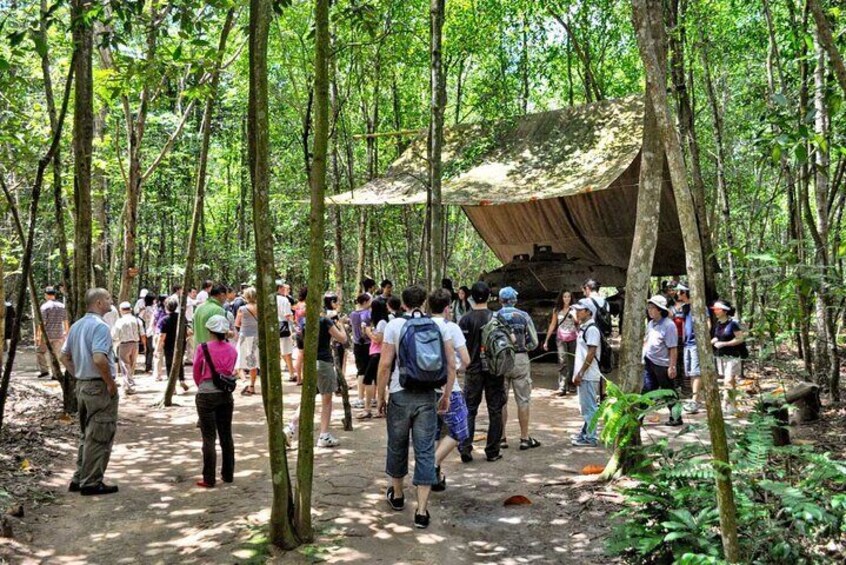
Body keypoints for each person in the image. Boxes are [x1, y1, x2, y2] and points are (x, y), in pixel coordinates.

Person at [376, 284, 456, 530]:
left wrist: (381, 396)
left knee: (397, 444)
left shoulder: (394, 326)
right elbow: (451, 365)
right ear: (424, 303)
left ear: (403, 304)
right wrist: (446, 394)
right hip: (427, 396)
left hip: (400, 394)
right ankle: (422, 511)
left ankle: (398, 496)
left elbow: (385, 364)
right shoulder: (438, 326)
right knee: (424, 451)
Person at [60, 288, 119, 496]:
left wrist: (78, 374)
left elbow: (63, 356)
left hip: (83, 386)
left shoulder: (76, 326)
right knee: (100, 434)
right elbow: (99, 358)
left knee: (87, 433)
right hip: (98, 386)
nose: (112, 301)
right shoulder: (100, 327)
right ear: (100, 303)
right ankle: (91, 482)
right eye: (109, 298)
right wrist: (109, 383)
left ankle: (79, 477)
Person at [429, 289, 471, 491]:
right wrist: (457, 369)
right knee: (460, 428)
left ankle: (434, 477)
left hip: (425, 388)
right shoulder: (451, 328)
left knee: (434, 431)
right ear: (447, 308)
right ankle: (431, 467)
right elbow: (466, 360)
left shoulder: (422, 325)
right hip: (448, 388)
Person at [458, 281, 505, 463]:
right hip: (494, 370)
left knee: (470, 409)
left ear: (471, 296)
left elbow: (460, 346)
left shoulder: (465, 319)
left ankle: (465, 447)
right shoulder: (496, 318)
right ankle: (492, 451)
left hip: (473, 370)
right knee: (495, 409)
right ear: (488, 297)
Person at [193, 314, 237, 488]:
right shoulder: (232, 349)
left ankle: (209, 478)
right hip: (225, 395)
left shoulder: (202, 348)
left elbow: (196, 370)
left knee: (208, 438)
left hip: (206, 395)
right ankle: (228, 474)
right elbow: (231, 369)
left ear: (210, 330)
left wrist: (201, 385)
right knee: (226, 435)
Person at [497, 286, 541, 451]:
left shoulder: (495, 317)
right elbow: (534, 342)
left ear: (500, 300)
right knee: (523, 400)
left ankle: (501, 438)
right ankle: (524, 438)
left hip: (501, 360)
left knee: (502, 401)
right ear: (514, 300)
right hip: (520, 359)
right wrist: (525, 347)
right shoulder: (524, 316)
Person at [310, 294, 348, 447]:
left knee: (309, 398)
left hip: (311, 363)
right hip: (324, 363)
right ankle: (324, 435)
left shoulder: (307, 322)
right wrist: (341, 326)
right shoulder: (325, 321)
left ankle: (291, 427)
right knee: (326, 400)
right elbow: (342, 339)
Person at [643, 295, 682, 426]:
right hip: (649, 362)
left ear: (660, 309)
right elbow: (647, 341)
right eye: (648, 307)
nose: (649, 310)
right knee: (647, 391)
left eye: (652, 307)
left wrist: (672, 366)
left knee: (669, 392)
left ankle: (676, 417)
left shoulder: (669, 325)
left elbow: (673, 348)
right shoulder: (650, 323)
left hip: (663, 364)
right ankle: (638, 418)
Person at [570, 299, 602, 447]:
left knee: (589, 407)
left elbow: (591, 353)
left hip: (589, 375)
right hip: (584, 374)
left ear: (588, 312)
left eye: (580, 310)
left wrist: (581, 372)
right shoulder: (584, 327)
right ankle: (585, 434)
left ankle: (591, 437)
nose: (577, 312)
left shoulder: (592, 330)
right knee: (586, 406)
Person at [711, 299, 747, 415]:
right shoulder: (718, 323)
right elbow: (717, 337)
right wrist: (710, 342)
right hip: (721, 356)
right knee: (730, 382)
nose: (715, 311)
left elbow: (740, 339)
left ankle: (724, 404)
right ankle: (733, 405)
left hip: (733, 357)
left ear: (725, 311)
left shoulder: (733, 324)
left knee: (728, 381)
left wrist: (724, 344)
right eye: (714, 309)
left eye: (717, 309)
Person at [358, 299, 389, 419]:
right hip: (375, 353)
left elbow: (378, 339)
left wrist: (369, 332)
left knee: (368, 380)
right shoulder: (379, 322)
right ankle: (379, 410)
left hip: (377, 354)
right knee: (377, 382)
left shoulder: (382, 323)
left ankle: (368, 409)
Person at [543, 290, 577, 396]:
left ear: (571, 298)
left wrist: (574, 315)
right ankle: (562, 386)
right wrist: (546, 340)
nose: (566, 298)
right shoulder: (557, 310)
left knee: (572, 361)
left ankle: (572, 383)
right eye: (564, 296)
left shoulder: (575, 309)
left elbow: (578, 323)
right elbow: (553, 325)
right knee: (563, 361)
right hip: (561, 338)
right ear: (561, 298)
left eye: (568, 296)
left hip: (573, 337)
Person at [677, 285, 702, 414]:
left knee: (696, 372)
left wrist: (701, 339)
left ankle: (695, 399)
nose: (677, 294)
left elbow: (707, 324)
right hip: (687, 343)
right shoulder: (685, 308)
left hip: (695, 343)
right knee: (691, 372)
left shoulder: (698, 306)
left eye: (679, 292)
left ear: (684, 293)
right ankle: (695, 397)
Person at [111, 302, 145, 395]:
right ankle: (129, 383)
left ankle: (128, 385)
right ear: (130, 309)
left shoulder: (120, 321)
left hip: (124, 345)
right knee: (132, 364)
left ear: (121, 310)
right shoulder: (137, 320)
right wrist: (145, 346)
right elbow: (142, 334)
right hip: (135, 344)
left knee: (125, 365)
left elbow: (114, 335)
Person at [37, 286, 69, 378]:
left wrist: (39, 335)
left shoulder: (44, 307)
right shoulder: (62, 306)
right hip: (59, 335)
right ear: (54, 294)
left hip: (46, 335)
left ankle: (44, 370)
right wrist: (67, 333)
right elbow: (65, 321)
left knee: (40, 352)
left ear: (46, 295)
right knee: (55, 354)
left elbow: (42, 323)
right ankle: (55, 374)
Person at [157, 298, 188, 391]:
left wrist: (158, 348)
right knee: (179, 362)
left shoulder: (164, 320)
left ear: (166, 307)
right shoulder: (182, 318)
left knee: (169, 364)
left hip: (169, 345)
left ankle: (172, 387)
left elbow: (162, 336)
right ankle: (181, 380)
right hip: (181, 344)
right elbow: (187, 331)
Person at [349, 293, 372, 410]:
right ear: (364, 302)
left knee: (361, 371)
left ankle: (361, 398)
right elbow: (364, 327)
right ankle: (365, 398)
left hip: (358, 345)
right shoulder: (367, 314)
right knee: (366, 372)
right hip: (366, 344)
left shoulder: (353, 314)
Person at [235, 287, 260, 396]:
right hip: (256, 337)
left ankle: (245, 380)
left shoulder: (242, 309)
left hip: (245, 337)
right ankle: (252, 385)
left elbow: (237, 323)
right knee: (253, 362)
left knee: (239, 359)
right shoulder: (260, 308)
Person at [276, 281, 297, 380]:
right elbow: (287, 315)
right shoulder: (284, 300)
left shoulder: (267, 299)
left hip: (272, 327)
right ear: (279, 288)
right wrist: (295, 325)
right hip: (283, 326)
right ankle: (292, 373)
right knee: (287, 351)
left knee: (279, 351)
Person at [292, 287, 308, 385]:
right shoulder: (307, 305)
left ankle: (299, 378)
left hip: (298, 331)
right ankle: (302, 378)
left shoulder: (297, 305)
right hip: (305, 332)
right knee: (305, 355)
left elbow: (295, 319)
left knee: (300, 354)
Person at [137, 293, 156, 373]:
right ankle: (149, 366)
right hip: (150, 331)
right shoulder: (150, 309)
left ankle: (148, 365)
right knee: (151, 349)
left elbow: (140, 318)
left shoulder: (145, 309)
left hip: (146, 331)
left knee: (148, 349)